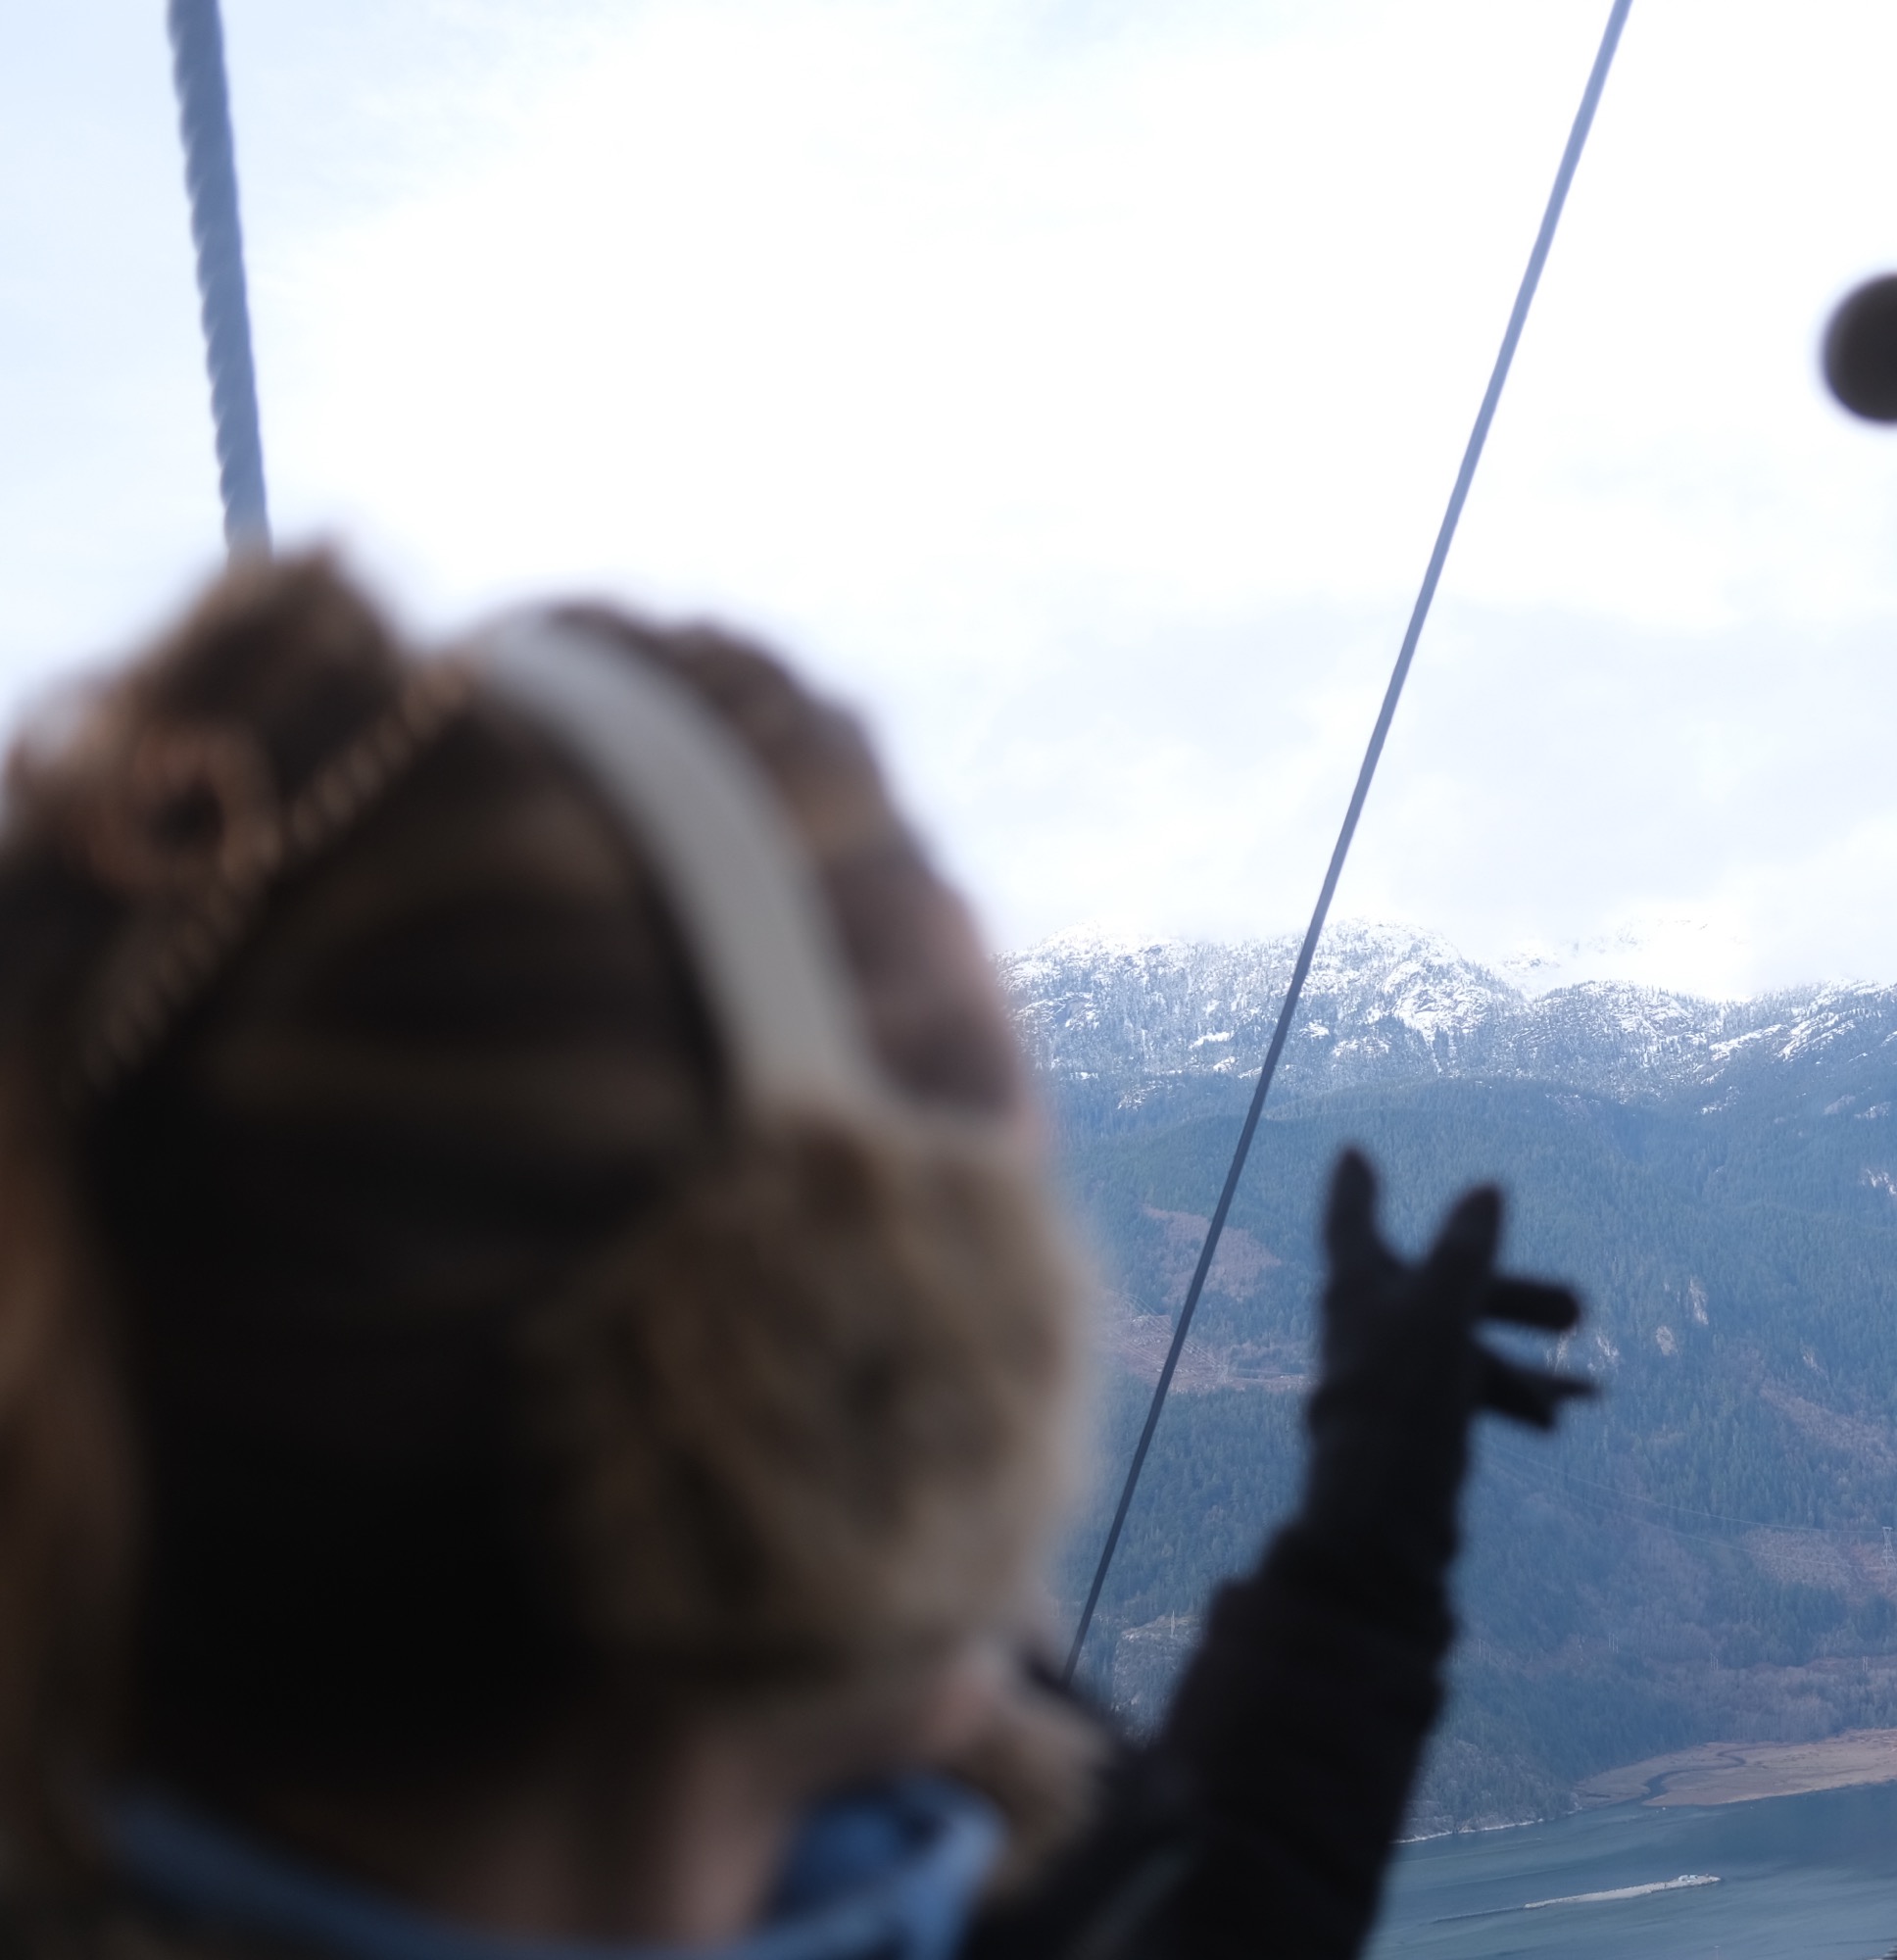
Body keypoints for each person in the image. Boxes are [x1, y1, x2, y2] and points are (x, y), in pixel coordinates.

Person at [0, 553, 1591, 1960]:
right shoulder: (907, 1850)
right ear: (801, 1304)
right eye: (979, 1110)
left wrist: (1364, 1547)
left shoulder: (878, 1853)